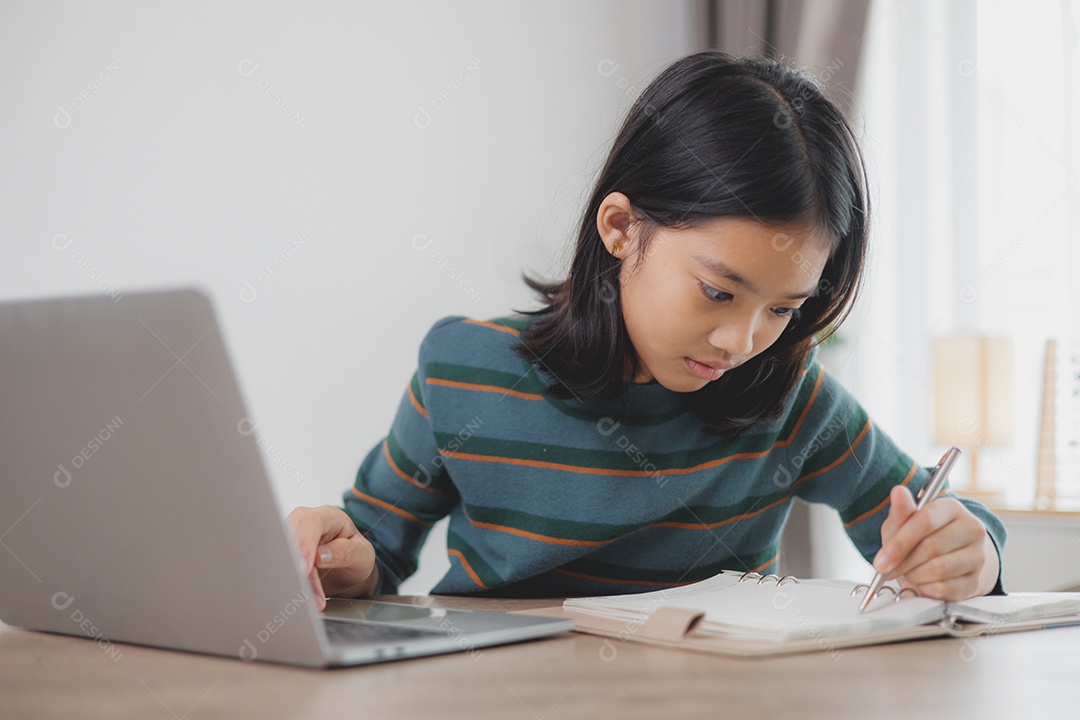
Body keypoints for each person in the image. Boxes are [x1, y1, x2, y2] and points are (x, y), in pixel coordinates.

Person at [289, 51, 1005, 608]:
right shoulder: (463, 369)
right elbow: (374, 552)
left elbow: (939, 516)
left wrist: (969, 551)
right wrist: (341, 560)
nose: (741, 341)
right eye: (718, 290)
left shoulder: (791, 399)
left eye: (783, 309)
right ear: (623, 228)